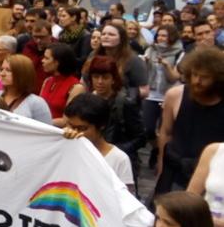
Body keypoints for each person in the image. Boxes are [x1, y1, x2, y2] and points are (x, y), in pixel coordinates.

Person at [157, 48, 224, 193]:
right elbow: (166, 132)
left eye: (205, 77)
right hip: (174, 171)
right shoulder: (175, 95)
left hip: (212, 176)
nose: (197, 81)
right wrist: (161, 164)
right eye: (194, 75)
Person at [63, 93, 134, 193]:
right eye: (71, 126)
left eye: (82, 128)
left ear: (101, 126)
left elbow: (127, 200)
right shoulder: (64, 149)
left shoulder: (119, 159)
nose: (75, 132)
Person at [88, 56, 145, 179]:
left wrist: (116, 150)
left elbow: (140, 137)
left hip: (118, 162)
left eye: (105, 77)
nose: (100, 82)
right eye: (96, 77)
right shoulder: (87, 101)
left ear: (113, 79)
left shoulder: (124, 103)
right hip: (92, 158)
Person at [142, 24, 183, 162]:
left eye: (164, 35)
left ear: (171, 37)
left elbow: (174, 77)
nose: (161, 38)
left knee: (164, 130)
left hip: (168, 95)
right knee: (147, 128)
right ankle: (156, 148)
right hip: (152, 94)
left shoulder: (179, 52)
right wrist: (145, 63)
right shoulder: (151, 49)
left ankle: (162, 157)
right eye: (159, 35)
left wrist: (166, 65)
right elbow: (144, 74)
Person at [84, 23, 149, 104]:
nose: (106, 36)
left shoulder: (133, 60)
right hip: (94, 104)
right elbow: (85, 80)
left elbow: (145, 90)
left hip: (122, 108)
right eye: (103, 34)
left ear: (121, 39)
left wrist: (117, 95)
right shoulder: (93, 55)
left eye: (111, 34)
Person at [0, 54, 52, 124]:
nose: (2, 74)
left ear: (22, 73)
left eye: (8, 70)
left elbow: (46, 131)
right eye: (1, 69)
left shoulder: (37, 103)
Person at [40, 42, 84, 126]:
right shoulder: (47, 81)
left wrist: (40, 122)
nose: (42, 61)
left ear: (57, 62)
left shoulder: (76, 87)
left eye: (46, 58)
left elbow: (67, 120)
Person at [21, 19, 54, 90]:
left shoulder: (58, 50)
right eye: (35, 37)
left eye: (42, 37)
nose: (38, 40)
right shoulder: (28, 47)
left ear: (50, 35)